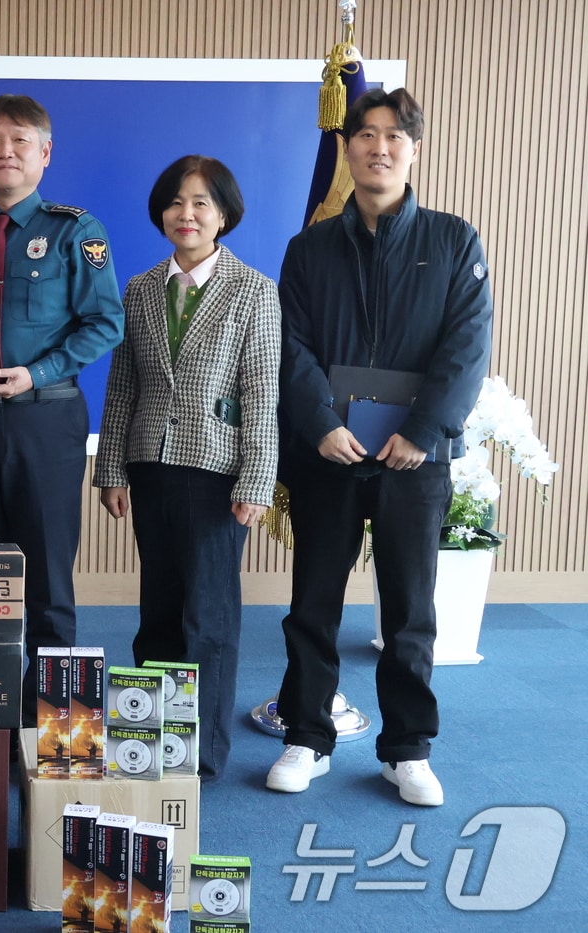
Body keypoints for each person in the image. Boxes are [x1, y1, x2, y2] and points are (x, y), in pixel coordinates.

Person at [265, 88, 493, 806]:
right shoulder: (309, 247)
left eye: (394, 136)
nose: (378, 147)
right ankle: (307, 735)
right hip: (328, 452)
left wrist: (423, 432)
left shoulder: (453, 240)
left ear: (414, 149)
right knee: (313, 604)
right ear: (348, 147)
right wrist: (319, 424)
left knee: (410, 607)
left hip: (412, 458)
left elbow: (466, 348)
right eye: (364, 134)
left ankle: (407, 748)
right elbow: (290, 346)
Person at [0, 95, 124, 719]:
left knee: (46, 581)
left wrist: (35, 372)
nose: (4, 152)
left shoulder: (74, 231)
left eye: (19, 141)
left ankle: (54, 723)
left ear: (45, 152)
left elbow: (104, 324)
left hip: (45, 418)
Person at [93, 155, 280, 782]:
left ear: (223, 213)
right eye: (176, 202)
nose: (187, 213)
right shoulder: (141, 289)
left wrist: (257, 478)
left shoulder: (253, 289)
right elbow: (122, 387)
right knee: (159, 609)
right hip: (150, 467)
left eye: (201, 202)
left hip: (220, 475)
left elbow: (260, 393)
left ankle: (200, 755)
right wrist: (111, 468)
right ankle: (151, 742)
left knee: (210, 617)